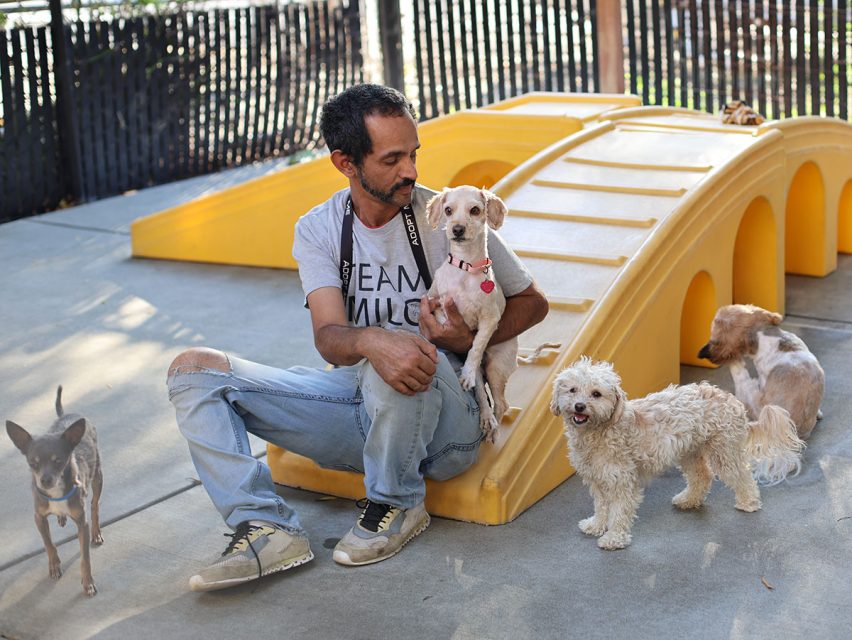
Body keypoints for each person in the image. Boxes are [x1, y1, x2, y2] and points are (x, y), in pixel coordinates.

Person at [166, 84, 548, 592]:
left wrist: (462, 337)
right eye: (392, 159)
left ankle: (397, 502)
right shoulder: (318, 228)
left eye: (413, 154)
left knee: (405, 355)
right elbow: (329, 337)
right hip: (358, 408)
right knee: (195, 371)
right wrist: (371, 342)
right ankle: (264, 526)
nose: (410, 171)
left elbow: (532, 303)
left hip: (444, 426)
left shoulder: (448, 214)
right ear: (345, 163)